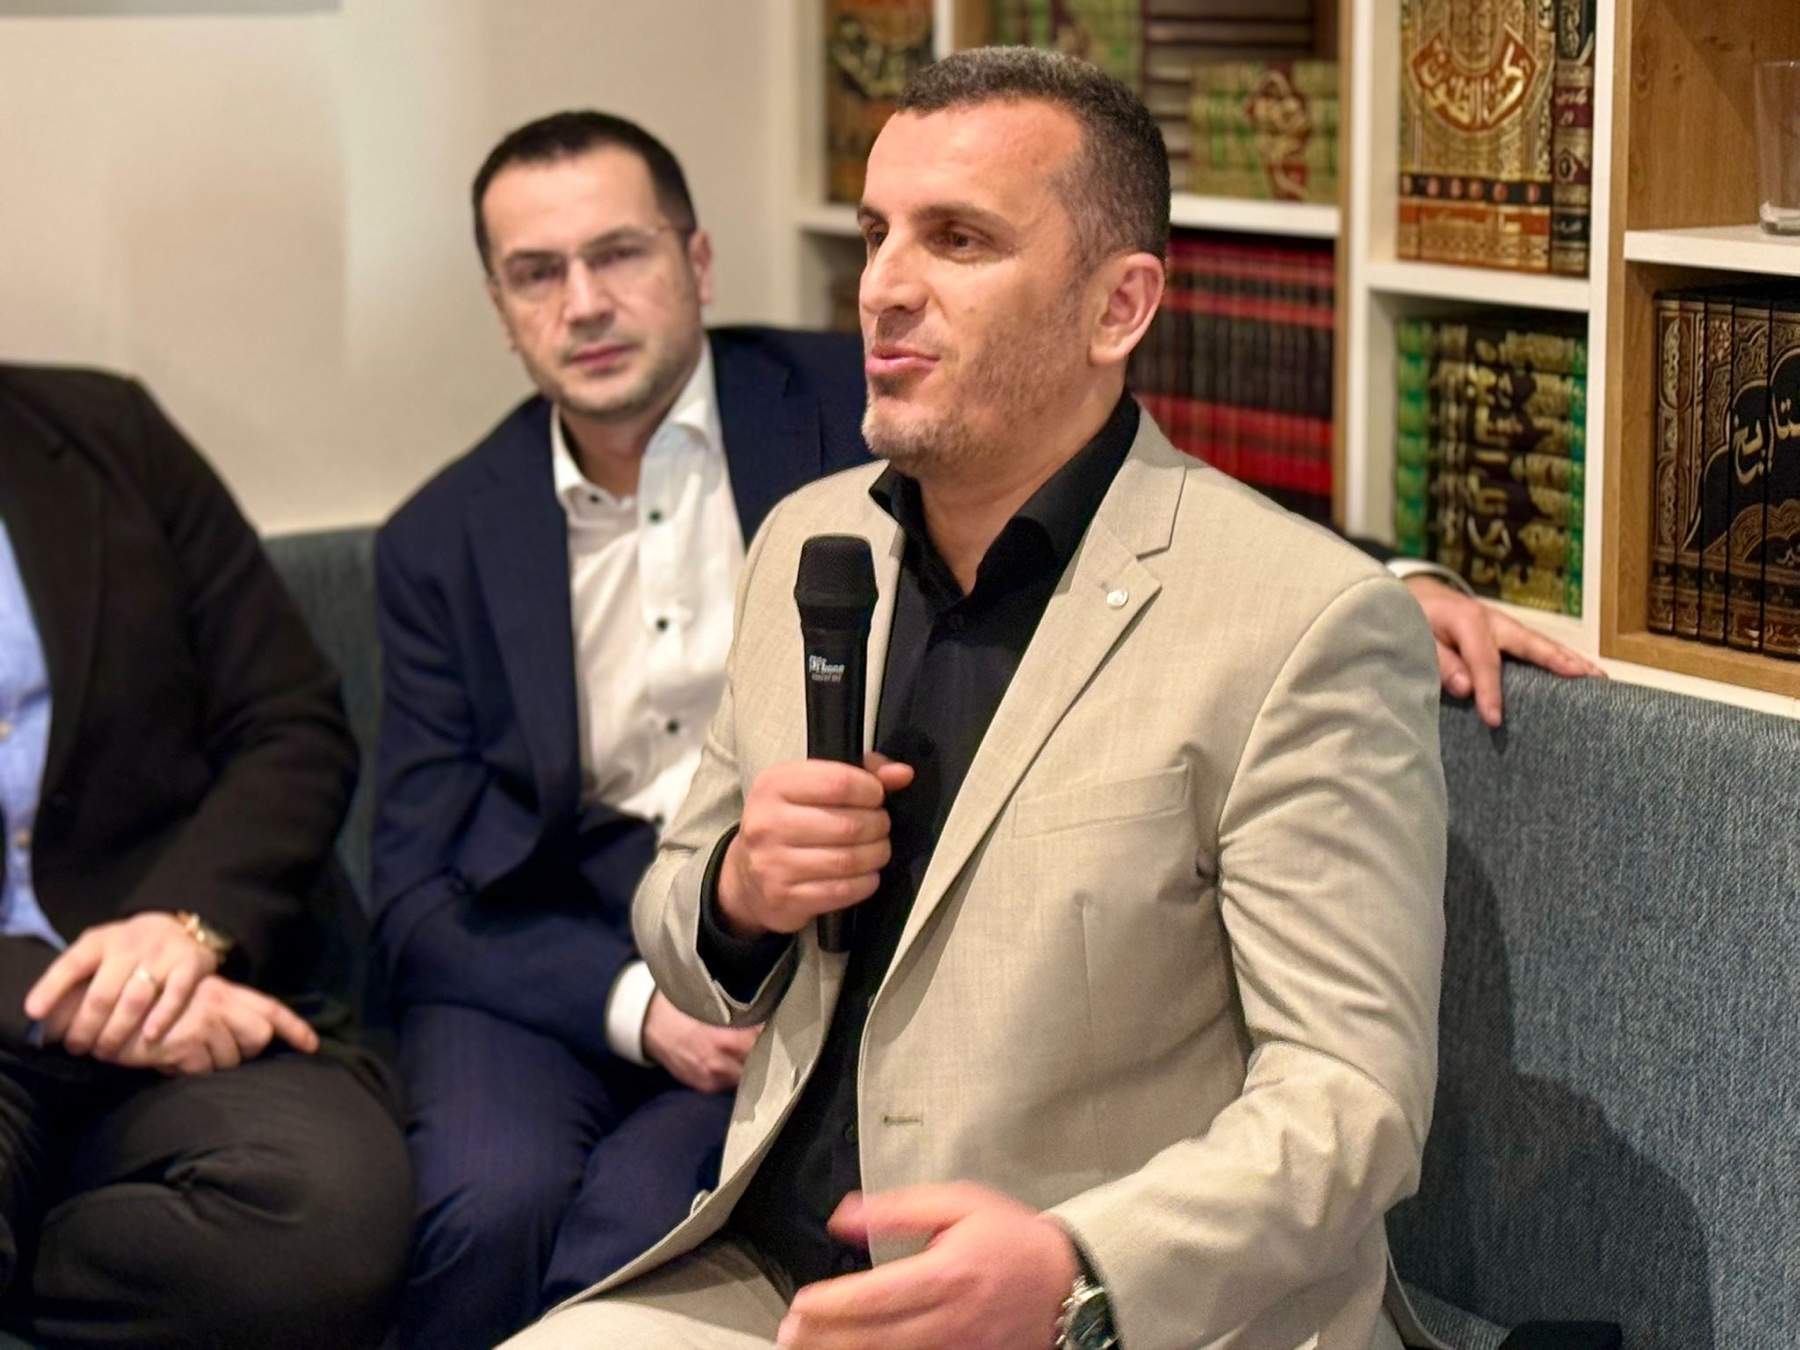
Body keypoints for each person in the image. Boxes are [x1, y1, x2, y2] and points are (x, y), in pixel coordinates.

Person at [506, 48, 1454, 1350]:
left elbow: (1354, 1102)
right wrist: (740, 893)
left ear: (1118, 307)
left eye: (958, 240)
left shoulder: (1301, 621)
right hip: (777, 1282)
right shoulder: (807, 541)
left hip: (1106, 1315)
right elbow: (681, 935)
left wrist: (1080, 1269)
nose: (884, 287)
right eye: (876, 234)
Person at [368, 112, 870, 1349]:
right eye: (537, 273)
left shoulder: (852, 406)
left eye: (619, 254)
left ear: (697, 262)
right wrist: (639, 1004)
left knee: (641, 1223)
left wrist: (1391, 574)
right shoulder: (439, 540)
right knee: (487, 1208)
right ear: (502, 308)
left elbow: (1073, 530)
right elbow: (412, 892)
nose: (583, 302)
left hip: (791, 932)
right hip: (544, 946)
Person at [0, 364, 410, 1349]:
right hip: (26, 1006)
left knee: (329, 1225)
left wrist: (185, 927)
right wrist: (67, 1001)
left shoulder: (107, 432)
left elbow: (292, 724)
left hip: (198, 994)